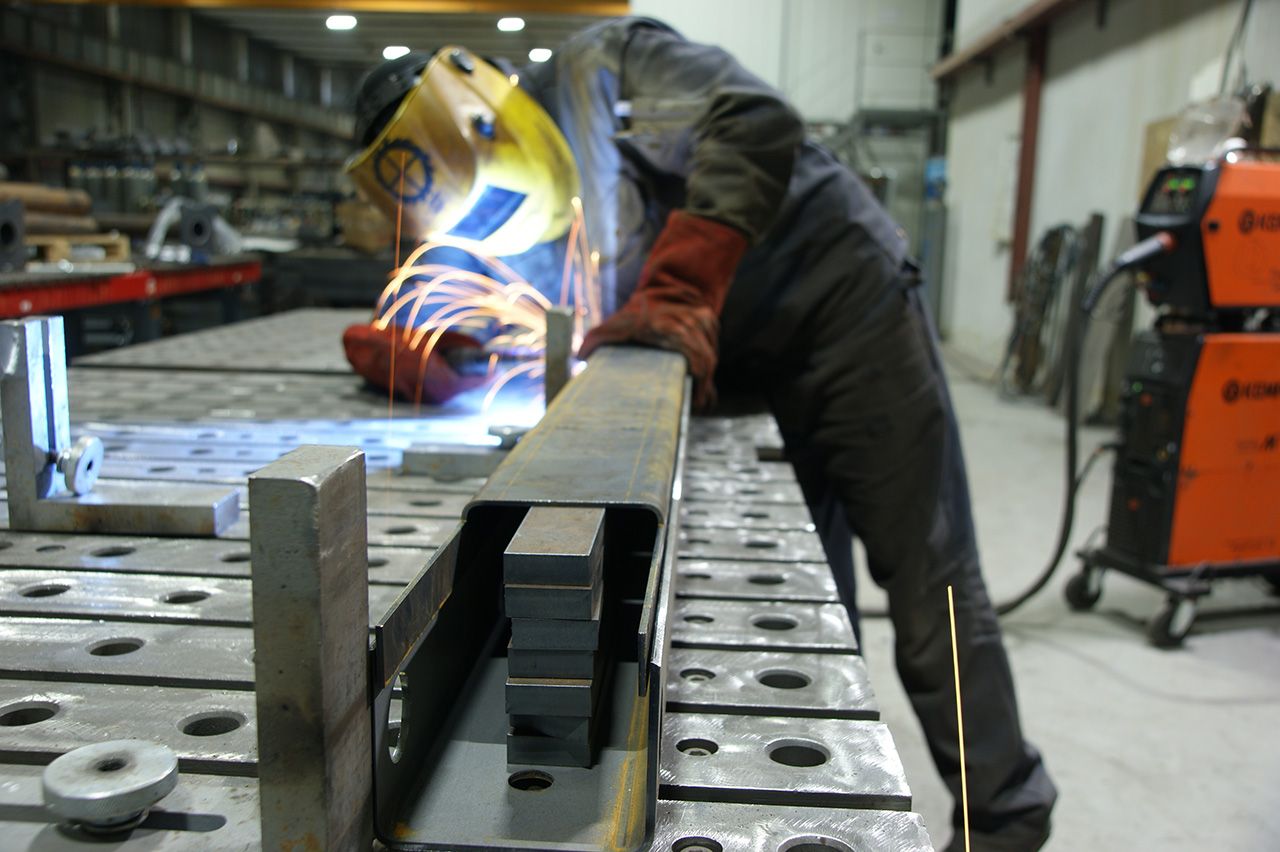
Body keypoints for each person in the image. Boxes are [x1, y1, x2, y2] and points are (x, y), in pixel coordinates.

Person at [344, 17, 1056, 851]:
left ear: (488, 116)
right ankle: (838, 785)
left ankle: (1005, 812)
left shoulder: (606, 72)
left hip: (845, 312)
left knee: (928, 578)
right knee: (815, 595)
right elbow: (480, 302)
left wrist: (682, 283)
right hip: (736, 365)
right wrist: (433, 350)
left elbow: (753, 121)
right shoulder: (492, 207)